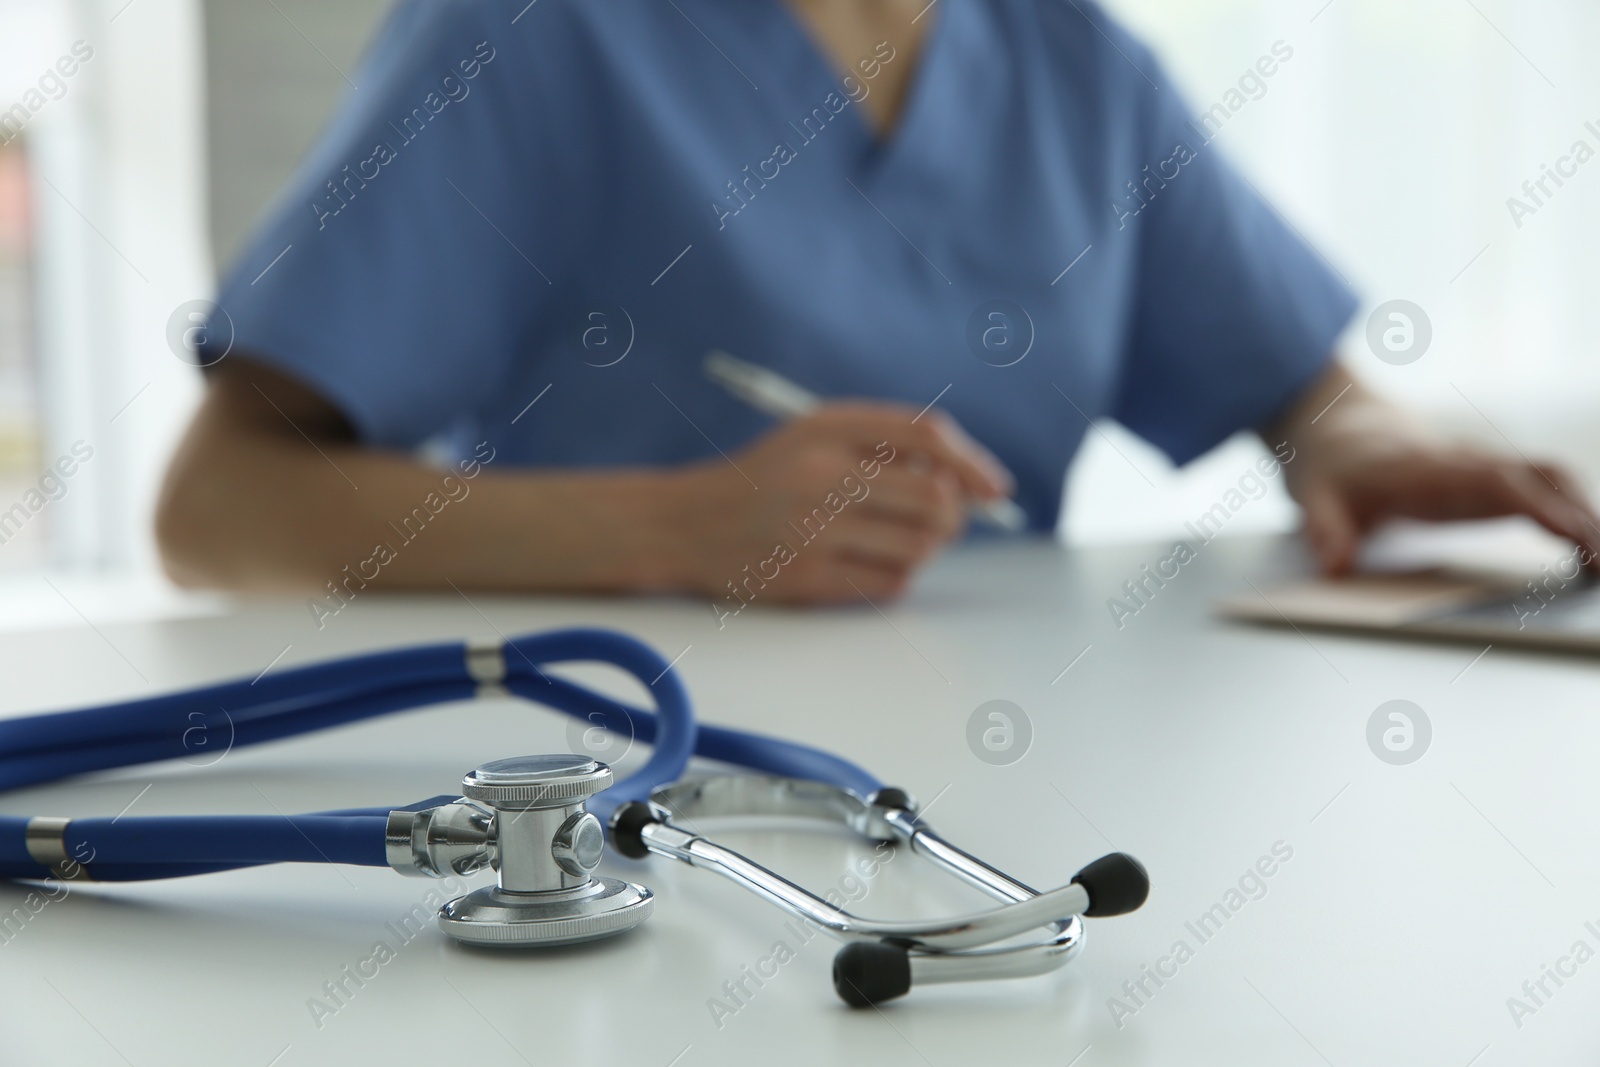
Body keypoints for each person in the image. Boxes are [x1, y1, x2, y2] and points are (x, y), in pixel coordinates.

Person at [157, 0, 1600, 606]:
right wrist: (674, 531)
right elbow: (217, 509)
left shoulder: (1062, 53)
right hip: (630, 790)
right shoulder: (530, 40)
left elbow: (1298, 377)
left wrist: (1355, 443)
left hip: (1010, 792)